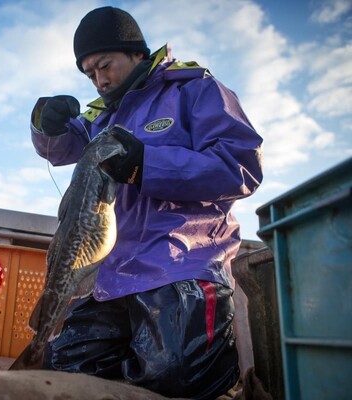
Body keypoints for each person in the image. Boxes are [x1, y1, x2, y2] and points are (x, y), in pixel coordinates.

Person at [29, 6, 263, 400]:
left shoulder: (194, 89)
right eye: (89, 74)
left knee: (175, 375)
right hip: (110, 278)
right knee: (60, 370)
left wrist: (145, 164)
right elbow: (59, 147)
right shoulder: (100, 117)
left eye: (105, 65)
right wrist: (43, 121)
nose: (100, 80)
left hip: (182, 265)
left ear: (137, 52)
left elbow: (240, 166)